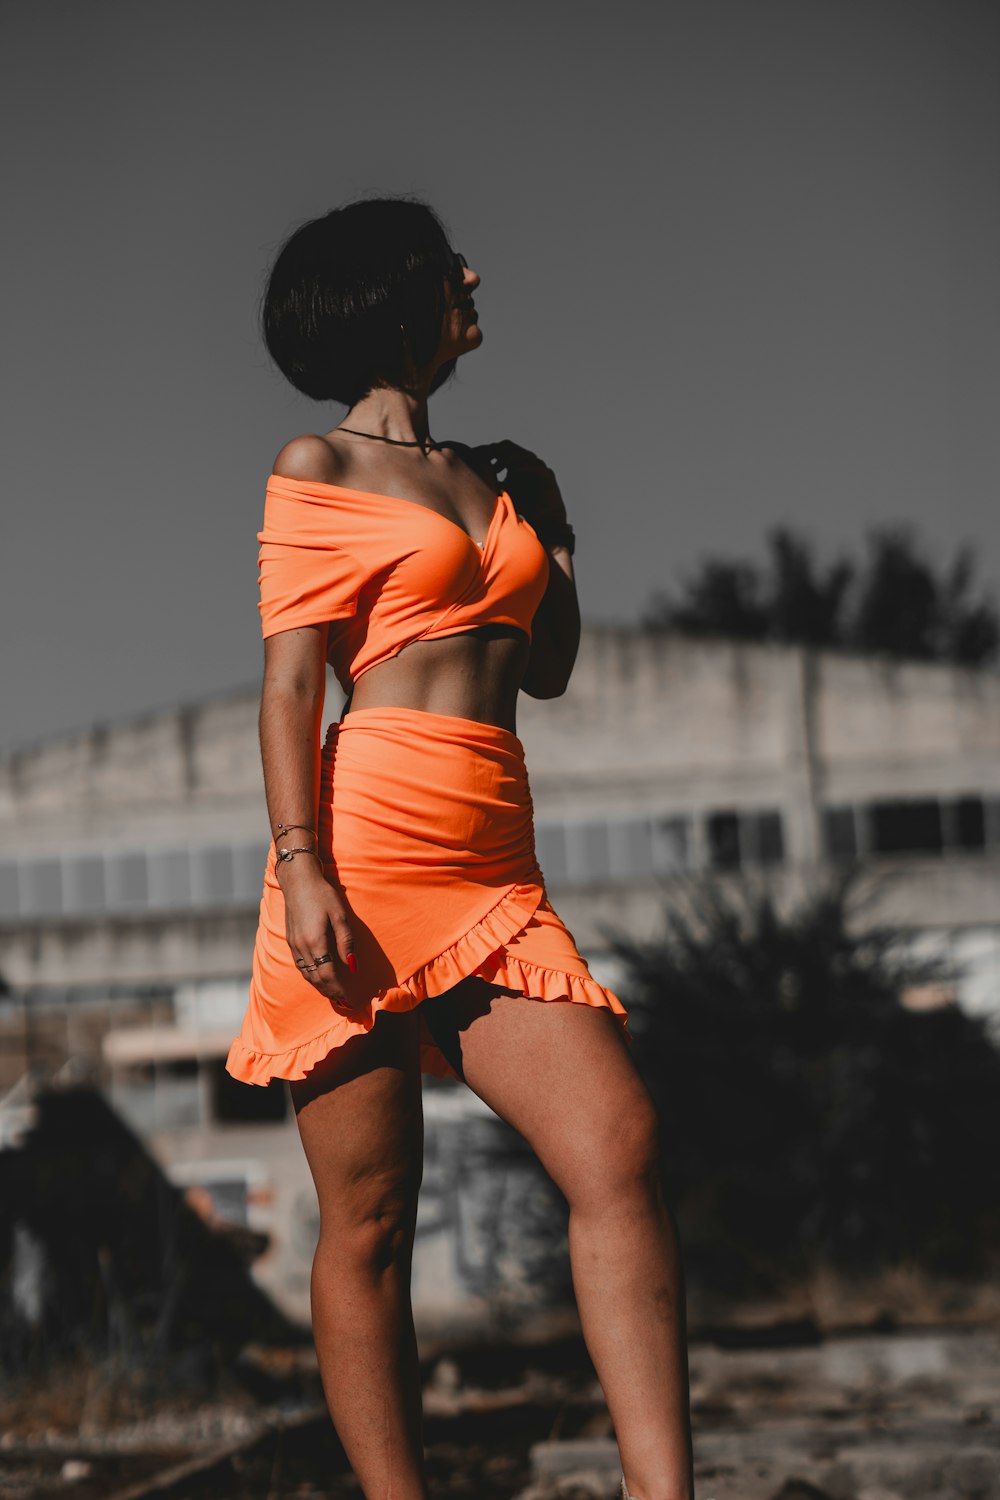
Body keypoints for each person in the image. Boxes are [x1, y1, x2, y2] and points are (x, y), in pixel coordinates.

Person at [225, 196, 696, 1500]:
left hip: (492, 858)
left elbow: (542, 668)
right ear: (389, 298)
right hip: (364, 852)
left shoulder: (496, 475)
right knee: (371, 1222)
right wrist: (301, 862)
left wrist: (552, 535)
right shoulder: (316, 468)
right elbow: (287, 691)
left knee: (620, 1148)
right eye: (447, 268)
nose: (475, 275)